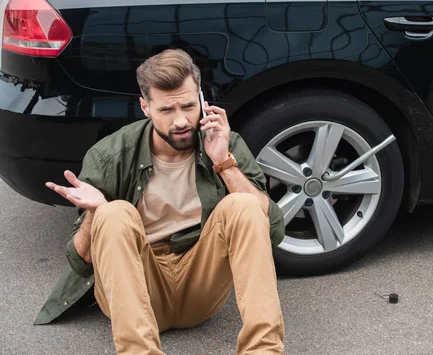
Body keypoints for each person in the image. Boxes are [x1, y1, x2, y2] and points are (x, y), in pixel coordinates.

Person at [35, 49, 286, 355]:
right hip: (138, 285)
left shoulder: (223, 141)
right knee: (113, 212)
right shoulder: (110, 154)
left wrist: (225, 163)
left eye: (189, 106)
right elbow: (80, 262)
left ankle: (263, 351)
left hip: (199, 286)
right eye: (167, 110)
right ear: (145, 107)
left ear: (203, 102)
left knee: (245, 205)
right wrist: (94, 213)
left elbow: (272, 229)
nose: (181, 120)